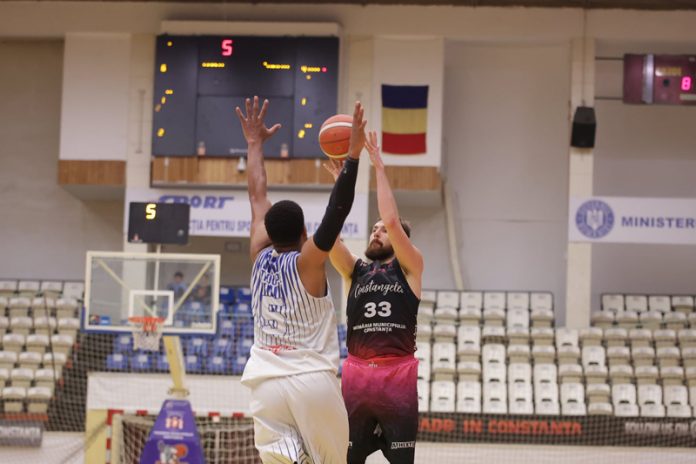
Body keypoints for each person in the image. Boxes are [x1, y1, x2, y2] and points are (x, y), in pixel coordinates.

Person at [236, 96, 366, 464]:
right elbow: (336, 213)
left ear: (267, 231)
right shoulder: (308, 261)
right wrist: (353, 157)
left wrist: (254, 143)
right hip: (310, 381)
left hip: (264, 384)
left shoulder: (258, 254)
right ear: (305, 233)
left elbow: (257, 194)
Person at [326, 130, 424, 464]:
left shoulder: (410, 268)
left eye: (382, 230)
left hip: (396, 376)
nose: (376, 232)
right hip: (357, 377)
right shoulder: (355, 270)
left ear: (400, 242)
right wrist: (339, 187)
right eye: (373, 229)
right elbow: (329, 238)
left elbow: (394, 221)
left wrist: (378, 166)